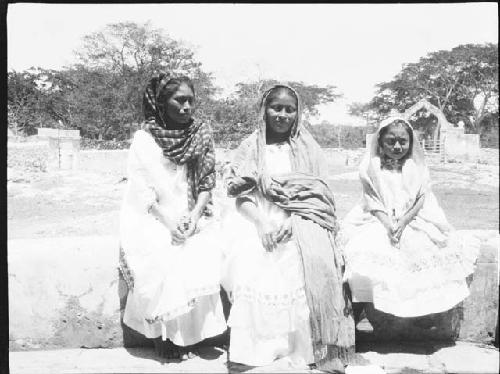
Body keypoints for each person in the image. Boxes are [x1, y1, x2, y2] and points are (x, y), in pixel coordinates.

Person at [221, 84, 355, 373]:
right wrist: (261, 224)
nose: (282, 114)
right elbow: (240, 197)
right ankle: (254, 352)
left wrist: (295, 224)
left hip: (303, 221)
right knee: (251, 257)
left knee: (309, 262)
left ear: (298, 113)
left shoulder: (309, 149)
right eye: (276, 108)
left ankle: (308, 349)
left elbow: (319, 198)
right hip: (256, 217)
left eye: (289, 109)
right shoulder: (250, 146)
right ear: (264, 110)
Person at [118, 73, 226, 359]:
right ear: (162, 103)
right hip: (154, 215)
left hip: (192, 211)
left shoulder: (201, 132)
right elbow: (142, 192)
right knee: (163, 254)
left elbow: (206, 182)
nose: (187, 107)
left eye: (191, 100)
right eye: (179, 100)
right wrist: (169, 223)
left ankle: (193, 337)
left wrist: (193, 216)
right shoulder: (144, 139)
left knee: (206, 248)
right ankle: (164, 338)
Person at [340, 117, 479, 319]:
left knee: (424, 246)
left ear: (411, 142)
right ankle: (361, 307)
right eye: (391, 141)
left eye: (403, 141)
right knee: (363, 248)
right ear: (380, 142)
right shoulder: (373, 167)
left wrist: (404, 222)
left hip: (412, 218)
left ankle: (421, 312)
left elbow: (421, 199)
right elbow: (372, 200)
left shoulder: (416, 167)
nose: (397, 146)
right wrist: (388, 223)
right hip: (377, 218)